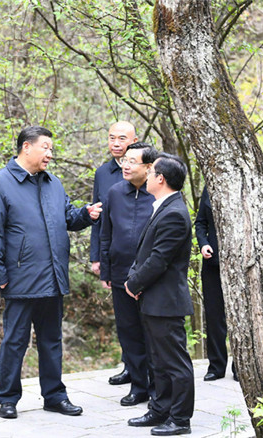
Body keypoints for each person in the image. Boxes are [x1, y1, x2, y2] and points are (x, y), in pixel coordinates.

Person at [0, 126, 102, 419]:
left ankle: (55, 396)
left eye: (51, 148)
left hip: (53, 277)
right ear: (26, 147)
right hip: (19, 279)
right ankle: (8, 399)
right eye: (45, 147)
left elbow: (67, 217)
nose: (50, 154)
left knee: (52, 341)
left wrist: (86, 214)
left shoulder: (53, 183)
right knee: (15, 342)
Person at [125, 153, 194, 436]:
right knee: (159, 361)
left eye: (151, 171)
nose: (147, 175)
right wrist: (134, 277)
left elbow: (158, 260)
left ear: (161, 179)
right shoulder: (162, 207)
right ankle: (160, 409)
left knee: (175, 363)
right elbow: (145, 253)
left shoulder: (175, 213)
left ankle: (180, 419)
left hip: (166, 301)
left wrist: (133, 284)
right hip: (153, 299)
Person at [100, 142, 157, 406]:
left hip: (150, 277)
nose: (125, 165)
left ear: (148, 167)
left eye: (132, 161)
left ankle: (157, 387)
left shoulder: (157, 194)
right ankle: (138, 386)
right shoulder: (114, 193)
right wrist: (106, 269)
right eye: (124, 160)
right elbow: (106, 233)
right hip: (120, 274)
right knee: (128, 332)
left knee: (152, 333)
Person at [90, 121, 138, 386]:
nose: (116, 143)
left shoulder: (147, 167)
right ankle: (130, 366)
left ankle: (147, 370)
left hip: (140, 252)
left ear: (134, 141)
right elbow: (97, 216)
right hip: (115, 251)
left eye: (122, 138)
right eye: (111, 138)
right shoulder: (103, 173)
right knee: (124, 317)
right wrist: (97, 256)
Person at [195, 186, 237, 382]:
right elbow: (200, 223)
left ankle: (240, 367)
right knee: (214, 316)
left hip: (239, 265)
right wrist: (203, 243)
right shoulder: (209, 188)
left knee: (239, 317)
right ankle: (216, 366)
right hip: (212, 263)